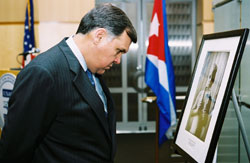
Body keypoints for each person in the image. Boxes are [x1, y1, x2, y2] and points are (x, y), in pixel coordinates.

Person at [0, 3, 137, 163]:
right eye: (118, 50)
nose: (118, 60)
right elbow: (14, 150)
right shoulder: (43, 73)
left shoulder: (93, 69)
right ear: (99, 36)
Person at [185, 63, 217, 141]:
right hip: (195, 121)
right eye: (209, 78)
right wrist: (196, 111)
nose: (210, 81)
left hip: (203, 124)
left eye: (212, 79)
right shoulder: (201, 93)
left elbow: (211, 112)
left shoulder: (212, 96)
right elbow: (192, 110)